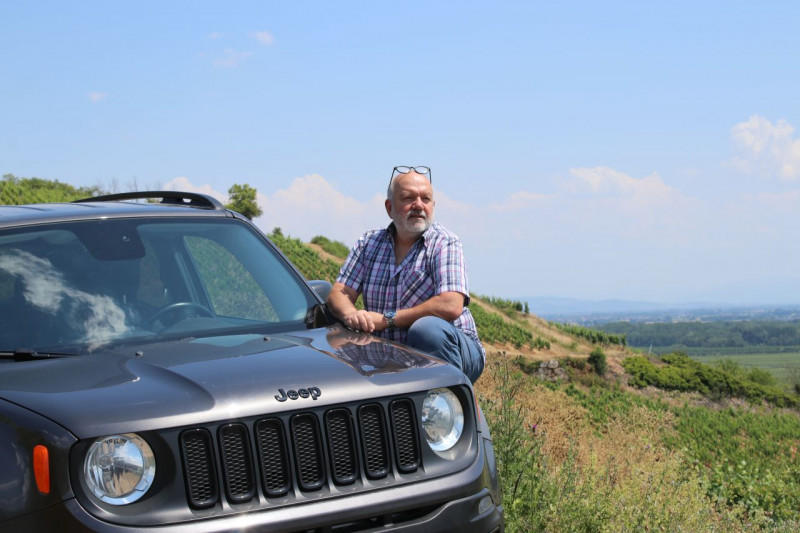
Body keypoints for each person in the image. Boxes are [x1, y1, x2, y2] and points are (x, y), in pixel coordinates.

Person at [326, 165, 485, 383]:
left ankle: (452, 401)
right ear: (389, 207)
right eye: (409, 198)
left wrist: (386, 320)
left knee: (427, 330)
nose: (418, 205)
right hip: (387, 352)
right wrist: (352, 315)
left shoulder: (444, 242)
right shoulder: (368, 244)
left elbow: (450, 305)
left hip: (453, 346)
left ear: (433, 205)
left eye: (425, 199)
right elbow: (339, 293)